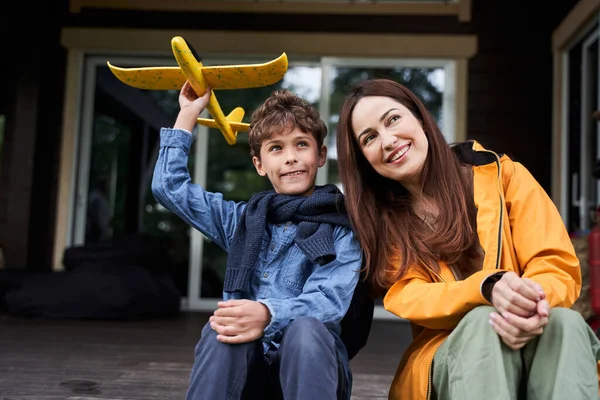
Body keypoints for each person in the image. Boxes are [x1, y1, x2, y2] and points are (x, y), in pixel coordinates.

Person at [335, 78, 600, 400]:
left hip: (535, 328)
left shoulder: (505, 176)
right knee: (480, 322)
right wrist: (486, 289)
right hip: (450, 355)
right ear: (363, 158)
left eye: (393, 119)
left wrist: (528, 307)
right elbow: (408, 294)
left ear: (420, 118)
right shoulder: (383, 223)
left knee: (565, 324)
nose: (388, 140)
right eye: (370, 138)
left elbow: (553, 262)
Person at [151, 82, 364, 400]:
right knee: (220, 329)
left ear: (320, 155)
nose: (290, 158)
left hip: (312, 374)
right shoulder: (244, 221)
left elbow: (328, 302)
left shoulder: (344, 226)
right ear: (260, 164)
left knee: (305, 329)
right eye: (276, 148)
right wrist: (187, 115)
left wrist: (267, 313)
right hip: (249, 377)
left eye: (301, 144)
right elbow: (169, 188)